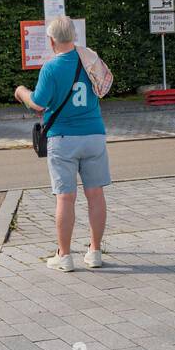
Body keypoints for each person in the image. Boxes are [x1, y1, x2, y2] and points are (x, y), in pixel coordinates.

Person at [14, 15, 110, 272]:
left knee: (65, 198)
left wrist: (21, 92)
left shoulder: (51, 67)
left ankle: (64, 256)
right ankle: (95, 252)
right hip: (94, 135)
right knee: (96, 195)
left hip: (63, 138)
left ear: (51, 40)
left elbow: (38, 103)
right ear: (74, 36)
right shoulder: (89, 59)